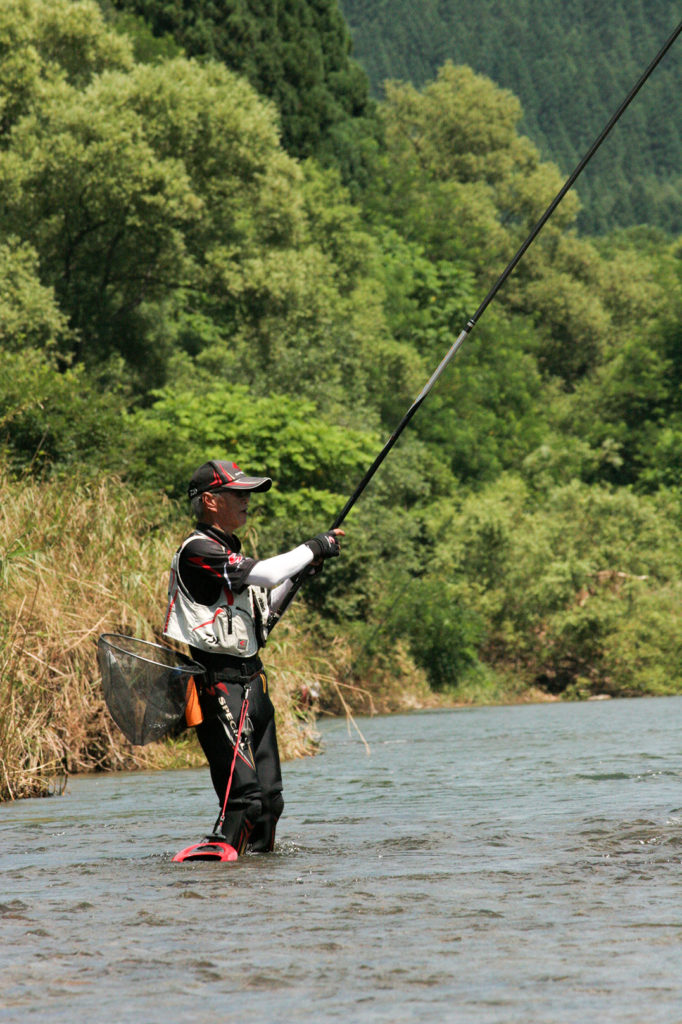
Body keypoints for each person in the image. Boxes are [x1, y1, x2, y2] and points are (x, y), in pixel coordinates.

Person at [163, 458, 343, 854]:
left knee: (269, 803)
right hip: (218, 684)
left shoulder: (228, 553)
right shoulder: (199, 550)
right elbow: (265, 574)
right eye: (238, 493)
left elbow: (266, 603)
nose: (247, 500)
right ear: (210, 501)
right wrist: (312, 548)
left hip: (253, 684)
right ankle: (219, 884)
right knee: (244, 801)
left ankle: (257, 891)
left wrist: (304, 570)